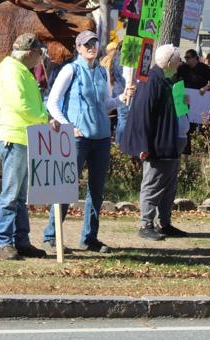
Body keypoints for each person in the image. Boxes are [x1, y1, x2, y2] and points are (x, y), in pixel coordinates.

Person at [42, 31, 127, 254]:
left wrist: (122, 99)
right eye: (86, 44)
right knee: (66, 189)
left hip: (101, 138)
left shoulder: (101, 71)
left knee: (96, 191)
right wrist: (68, 126)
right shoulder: (70, 70)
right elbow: (52, 102)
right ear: (78, 48)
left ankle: (89, 238)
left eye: (94, 43)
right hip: (78, 139)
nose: (91, 47)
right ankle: (52, 236)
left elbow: (105, 103)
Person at [121, 44, 187, 241]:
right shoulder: (152, 81)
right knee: (153, 183)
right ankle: (146, 223)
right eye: (178, 59)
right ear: (168, 62)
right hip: (158, 144)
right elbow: (143, 115)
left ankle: (164, 222)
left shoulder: (169, 79)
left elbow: (176, 108)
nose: (181, 62)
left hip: (172, 142)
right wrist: (143, 146)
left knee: (169, 185)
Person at [0, 33, 50, 260]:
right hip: (15, 137)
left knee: (19, 196)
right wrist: (43, 117)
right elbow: (20, 104)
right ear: (29, 52)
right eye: (39, 53)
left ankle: (21, 241)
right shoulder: (10, 69)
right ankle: (4, 242)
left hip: (24, 136)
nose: (40, 58)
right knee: (11, 194)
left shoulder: (20, 70)